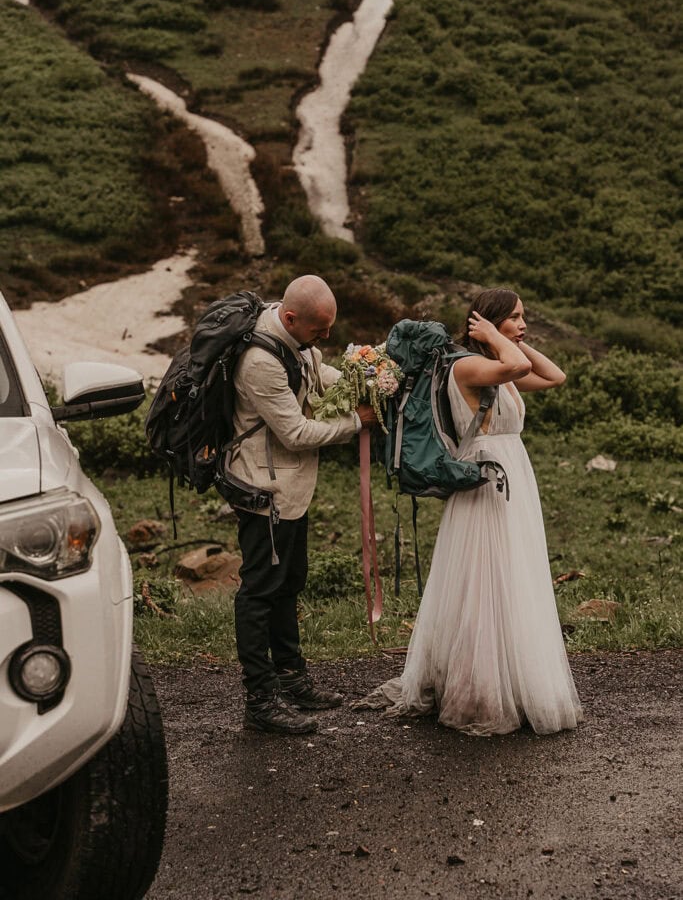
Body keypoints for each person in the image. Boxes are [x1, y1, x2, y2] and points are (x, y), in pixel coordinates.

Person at [355, 288, 583, 735]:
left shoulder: (499, 364)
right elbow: (515, 366)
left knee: (508, 579)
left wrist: (506, 338)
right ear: (489, 322)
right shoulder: (468, 365)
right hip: (484, 479)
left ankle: (512, 684)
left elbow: (554, 376)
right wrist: (497, 339)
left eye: (524, 317)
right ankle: (477, 689)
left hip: (510, 477)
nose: (523, 325)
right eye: (515, 318)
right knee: (482, 581)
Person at [229, 275, 376, 735]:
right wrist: (357, 421)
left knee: (289, 582)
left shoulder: (295, 338)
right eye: (320, 329)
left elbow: (322, 376)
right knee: (259, 592)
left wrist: (371, 380)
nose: (326, 337)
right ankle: (261, 700)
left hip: (292, 489)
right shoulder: (259, 362)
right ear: (292, 318)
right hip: (265, 492)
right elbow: (294, 433)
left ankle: (292, 680)